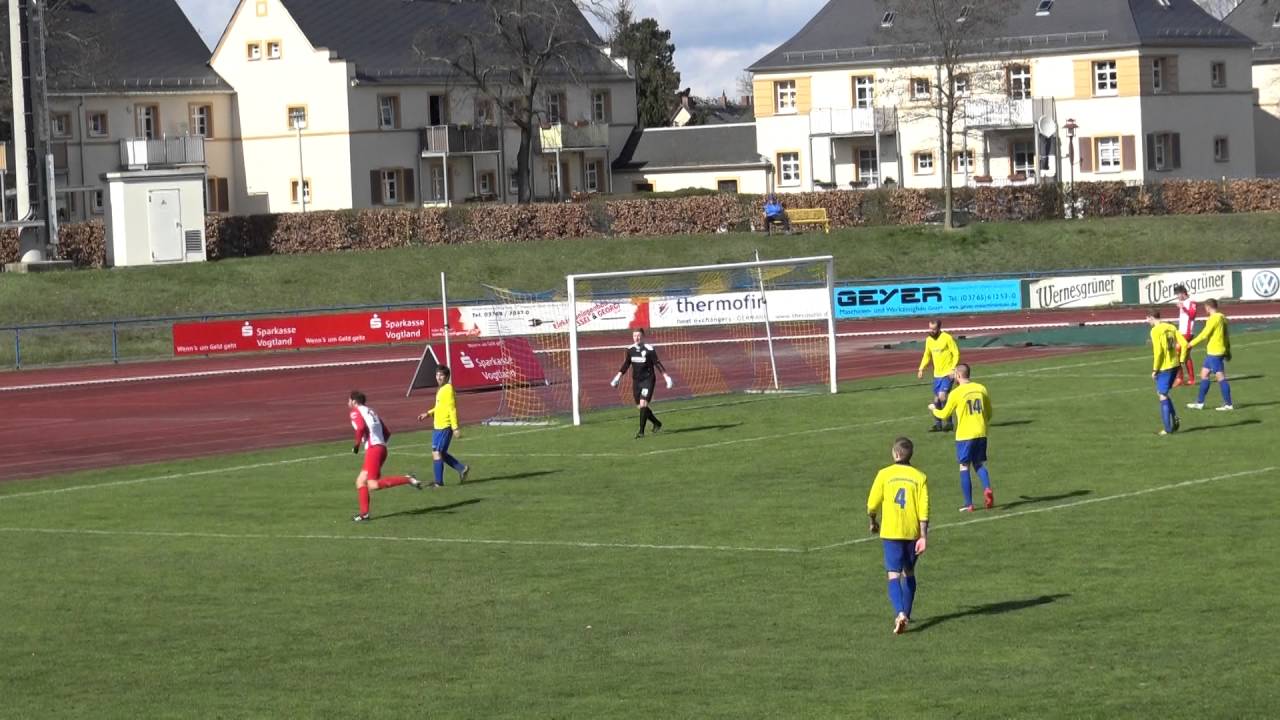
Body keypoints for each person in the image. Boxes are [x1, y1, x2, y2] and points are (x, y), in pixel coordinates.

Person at [866, 436, 929, 635]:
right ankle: (907, 615)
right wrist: (923, 536)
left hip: (891, 531)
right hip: (912, 532)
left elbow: (872, 503)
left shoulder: (884, 474)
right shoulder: (920, 477)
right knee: (908, 573)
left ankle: (900, 613)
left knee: (893, 574)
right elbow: (924, 509)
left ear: (895, 454)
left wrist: (873, 521)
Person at [929, 363, 994, 511]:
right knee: (978, 463)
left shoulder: (956, 393)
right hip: (981, 432)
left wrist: (934, 409)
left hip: (965, 435)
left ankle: (968, 504)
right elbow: (989, 412)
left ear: (958, 376)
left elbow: (945, 414)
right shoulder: (981, 388)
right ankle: (987, 488)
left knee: (964, 466)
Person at [348, 390, 421, 522]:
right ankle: (364, 514)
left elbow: (359, 428)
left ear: (354, 401)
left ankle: (408, 479)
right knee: (360, 481)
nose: (348, 403)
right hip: (381, 448)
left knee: (373, 485)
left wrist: (357, 445)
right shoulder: (371, 411)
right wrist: (380, 446)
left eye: (349, 400)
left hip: (374, 449)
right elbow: (387, 432)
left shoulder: (356, 411)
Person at [611, 327, 674, 439]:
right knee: (640, 406)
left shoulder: (649, 349)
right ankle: (657, 423)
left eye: (639, 336)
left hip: (648, 380)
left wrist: (666, 377)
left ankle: (641, 432)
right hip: (636, 381)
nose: (637, 338)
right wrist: (617, 377)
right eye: (635, 336)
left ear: (643, 336)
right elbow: (626, 364)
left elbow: (657, 364)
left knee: (643, 403)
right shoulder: (630, 349)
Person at [417, 366, 470, 487]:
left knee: (437, 452)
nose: (438, 377)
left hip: (445, 426)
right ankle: (462, 469)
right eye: (437, 375)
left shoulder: (448, 389)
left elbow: (452, 409)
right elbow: (440, 407)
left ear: (447, 377)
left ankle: (438, 483)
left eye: (441, 375)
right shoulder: (441, 389)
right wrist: (428, 413)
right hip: (437, 426)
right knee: (441, 453)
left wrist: (455, 427)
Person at [1184, 298, 1233, 412]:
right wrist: (1228, 350)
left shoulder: (1213, 319)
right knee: (1204, 374)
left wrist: (1191, 343)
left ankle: (1228, 404)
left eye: (1205, 307)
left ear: (1208, 307)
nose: (1205, 309)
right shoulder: (1222, 317)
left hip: (1214, 352)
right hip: (1215, 351)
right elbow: (1226, 335)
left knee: (1220, 377)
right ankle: (1200, 403)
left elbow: (1204, 334)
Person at [1146, 309, 1188, 435]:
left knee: (1162, 395)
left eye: (1147, 318)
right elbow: (1184, 344)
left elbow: (1158, 352)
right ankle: (1174, 418)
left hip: (1165, 367)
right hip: (1175, 365)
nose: (1147, 321)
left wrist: (1155, 369)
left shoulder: (1155, 330)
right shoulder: (1171, 327)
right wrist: (1181, 360)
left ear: (1151, 317)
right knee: (1162, 392)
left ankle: (1168, 428)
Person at [917, 319, 959, 433]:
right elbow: (927, 355)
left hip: (947, 374)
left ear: (939, 328)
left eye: (934, 329)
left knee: (942, 396)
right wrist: (921, 368)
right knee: (936, 400)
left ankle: (949, 423)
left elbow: (955, 353)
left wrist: (953, 368)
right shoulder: (929, 340)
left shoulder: (947, 338)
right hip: (937, 375)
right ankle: (938, 424)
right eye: (930, 328)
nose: (931, 331)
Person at [1172, 284, 1198, 387]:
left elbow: (1192, 315)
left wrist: (1183, 308)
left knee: (1177, 354)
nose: (1177, 297)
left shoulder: (1192, 302)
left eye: (1178, 294)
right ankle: (1190, 380)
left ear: (1183, 293)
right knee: (1186, 356)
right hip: (1181, 332)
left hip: (1187, 333)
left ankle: (1180, 378)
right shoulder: (1183, 303)